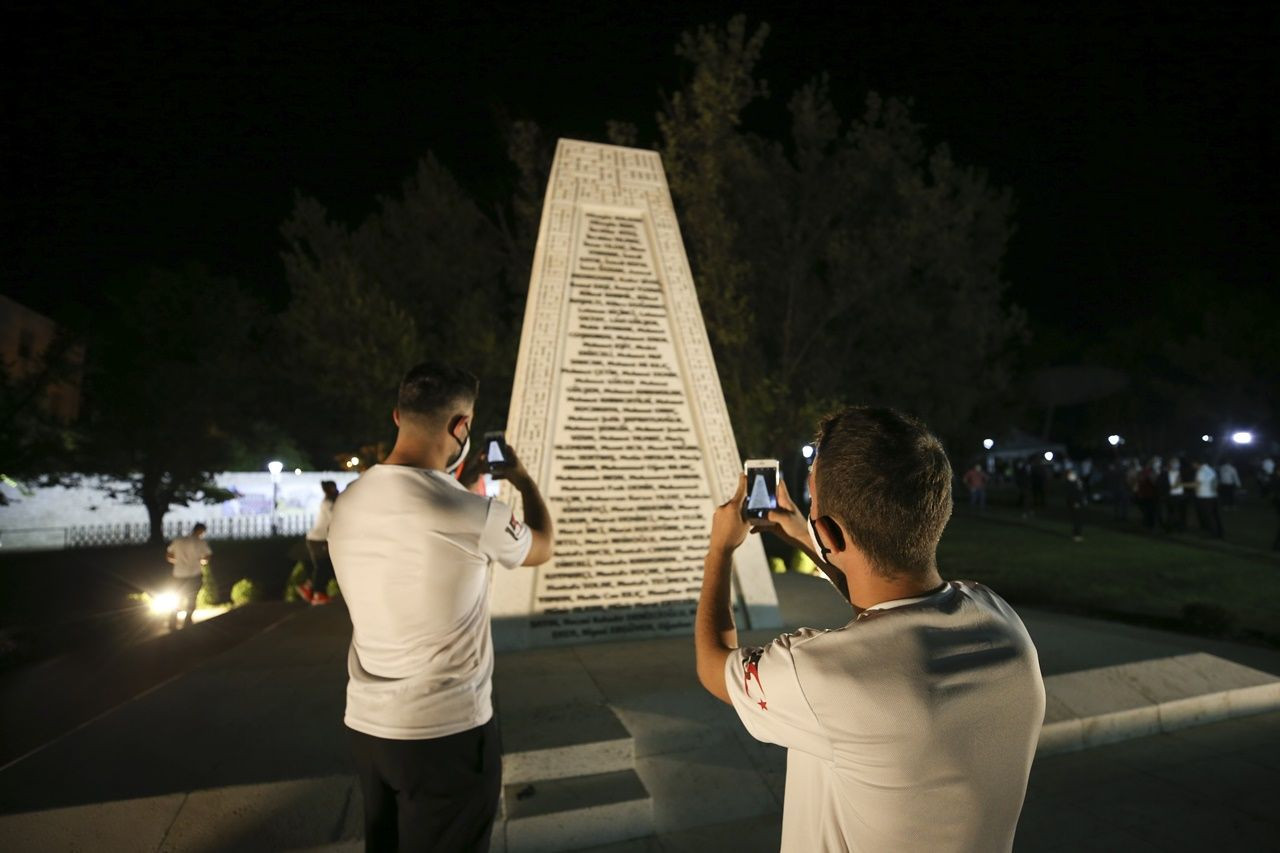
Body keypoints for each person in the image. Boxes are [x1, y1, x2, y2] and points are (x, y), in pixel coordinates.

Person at [695, 406, 1045, 852]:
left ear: (832, 533)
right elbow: (889, 611)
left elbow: (712, 663)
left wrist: (720, 549)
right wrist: (809, 535)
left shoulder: (820, 674)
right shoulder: (1001, 622)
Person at [327, 362, 553, 853]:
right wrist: (523, 480)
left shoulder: (348, 503)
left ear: (397, 416)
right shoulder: (472, 512)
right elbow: (542, 545)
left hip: (369, 730)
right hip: (446, 732)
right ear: (461, 427)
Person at [298, 479, 341, 605]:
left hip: (318, 539)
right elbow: (335, 519)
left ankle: (310, 587)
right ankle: (317, 593)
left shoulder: (329, 502)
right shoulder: (328, 504)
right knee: (323, 567)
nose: (337, 490)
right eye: (334, 488)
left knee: (325, 566)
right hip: (318, 539)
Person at [165, 522, 211, 631]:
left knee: (177, 598)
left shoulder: (178, 540)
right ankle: (187, 622)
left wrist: (179, 561)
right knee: (192, 599)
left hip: (178, 574)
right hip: (194, 573)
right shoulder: (200, 542)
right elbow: (207, 557)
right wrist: (201, 562)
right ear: (200, 531)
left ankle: (172, 622)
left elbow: (169, 555)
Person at [1192, 460, 1224, 539]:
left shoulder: (1201, 472)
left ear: (1196, 463)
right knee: (1215, 515)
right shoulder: (1210, 469)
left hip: (1204, 496)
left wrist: (1182, 484)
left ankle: (1214, 533)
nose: (1192, 466)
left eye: (1193, 464)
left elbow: (1196, 484)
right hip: (1213, 496)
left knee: (1209, 516)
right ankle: (1219, 531)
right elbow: (1216, 481)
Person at [1065, 468, 1087, 542]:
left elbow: (1079, 491)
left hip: (1079, 501)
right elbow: (1072, 493)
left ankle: (1077, 534)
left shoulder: (1076, 480)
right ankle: (1076, 535)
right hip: (1076, 502)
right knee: (1077, 519)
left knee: (1078, 518)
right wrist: (1074, 502)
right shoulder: (1072, 481)